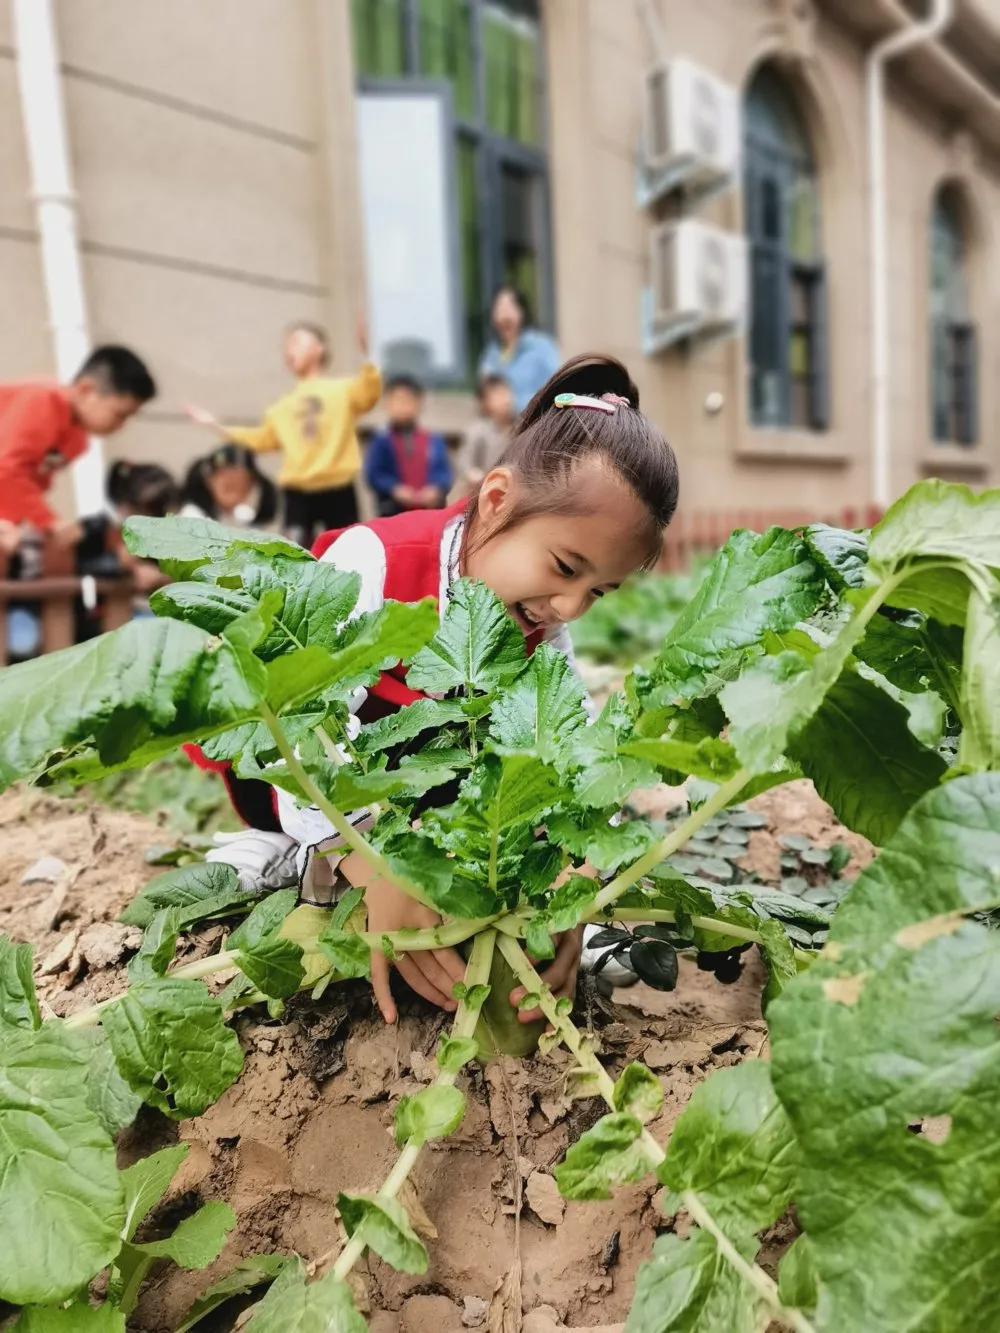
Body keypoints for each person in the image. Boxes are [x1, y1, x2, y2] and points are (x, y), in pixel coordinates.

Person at [196, 354, 679, 1025]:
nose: (570, 606)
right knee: (302, 865)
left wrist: (574, 878)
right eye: (565, 567)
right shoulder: (374, 560)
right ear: (499, 499)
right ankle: (295, 860)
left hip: (438, 823)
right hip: (328, 792)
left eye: (597, 590)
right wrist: (366, 860)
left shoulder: (544, 632)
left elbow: (573, 765)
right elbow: (300, 724)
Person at [185, 320, 379, 548]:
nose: (289, 350)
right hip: (297, 493)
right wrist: (216, 426)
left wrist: (367, 353)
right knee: (294, 555)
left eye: (297, 342)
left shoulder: (344, 389)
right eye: (287, 346)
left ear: (320, 348)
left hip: (338, 487)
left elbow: (369, 392)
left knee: (348, 551)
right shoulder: (281, 407)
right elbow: (262, 440)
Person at [0, 345, 156, 531]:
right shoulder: (42, 401)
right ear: (85, 390)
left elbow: (27, 485)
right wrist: (48, 523)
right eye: (119, 414)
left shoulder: (76, 440)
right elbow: (5, 472)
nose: (121, 425)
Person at [363, 375, 452, 517]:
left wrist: (435, 488)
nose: (403, 406)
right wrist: (394, 488)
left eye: (408, 401)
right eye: (397, 400)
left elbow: (444, 472)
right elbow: (375, 474)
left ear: (419, 404)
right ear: (387, 404)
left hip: (428, 512)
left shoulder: (433, 440)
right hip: (392, 511)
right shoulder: (381, 440)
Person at [478, 286, 560, 414]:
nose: (504, 314)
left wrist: (513, 404)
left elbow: (556, 390)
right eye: (499, 308)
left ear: (522, 312)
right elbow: (483, 397)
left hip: (535, 426)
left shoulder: (542, 347)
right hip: (498, 430)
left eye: (510, 307)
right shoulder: (490, 355)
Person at [450, 372, 515, 501]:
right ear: (484, 402)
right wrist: (475, 475)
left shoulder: (519, 426)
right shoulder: (477, 430)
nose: (506, 399)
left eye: (506, 393)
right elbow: (465, 463)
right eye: (498, 395)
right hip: (480, 490)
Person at [180, 444, 278, 527]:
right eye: (228, 484)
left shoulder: (242, 516)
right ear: (209, 480)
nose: (237, 487)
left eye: (243, 483)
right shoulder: (193, 518)